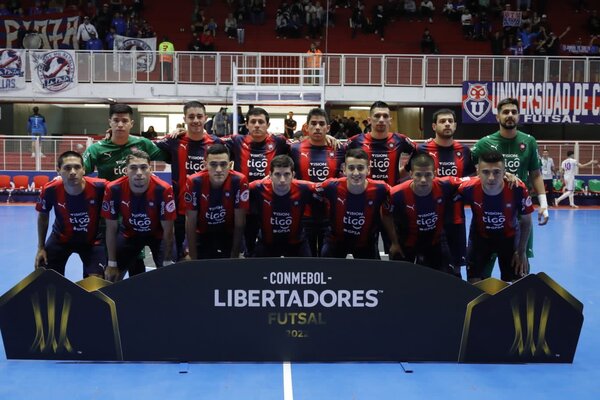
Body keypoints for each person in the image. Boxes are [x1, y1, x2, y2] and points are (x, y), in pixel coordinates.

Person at [471, 97, 548, 278]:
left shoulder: (529, 141)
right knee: (481, 272)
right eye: (505, 112)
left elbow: (535, 174)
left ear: (518, 116)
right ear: (497, 117)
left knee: (518, 266)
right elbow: (472, 171)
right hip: (489, 212)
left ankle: (516, 301)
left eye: (514, 112)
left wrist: (543, 203)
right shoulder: (484, 143)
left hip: (519, 213)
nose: (510, 115)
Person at [155, 101, 224, 260]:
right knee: (184, 259)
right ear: (184, 119)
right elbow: (146, 145)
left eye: (199, 116)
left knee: (210, 258)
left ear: (206, 118)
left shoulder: (217, 143)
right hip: (181, 212)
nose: (196, 120)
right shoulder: (174, 141)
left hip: (210, 212)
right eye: (191, 117)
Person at [347, 100, 417, 253]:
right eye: (377, 116)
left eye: (385, 116)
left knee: (396, 249)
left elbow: (419, 152)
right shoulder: (357, 141)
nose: (381, 120)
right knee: (366, 251)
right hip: (366, 203)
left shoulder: (399, 140)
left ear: (390, 120)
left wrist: (404, 171)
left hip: (391, 202)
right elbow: (337, 153)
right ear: (370, 119)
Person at [414, 108, 475, 276]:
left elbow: (472, 180)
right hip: (427, 217)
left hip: (455, 217)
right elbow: (410, 177)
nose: (447, 124)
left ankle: (454, 301)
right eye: (442, 121)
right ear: (434, 126)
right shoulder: (422, 150)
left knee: (455, 267)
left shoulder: (464, 151)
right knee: (426, 266)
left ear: (455, 125)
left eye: (450, 121)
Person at [458, 150, 533, 283]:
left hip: (509, 237)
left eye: (497, 172)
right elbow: (438, 182)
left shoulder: (517, 188)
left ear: (505, 172)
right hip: (480, 237)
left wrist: (521, 251)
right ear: (478, 172)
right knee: (474, 282)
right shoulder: (467, 187)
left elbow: (526, 221)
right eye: (486, 172)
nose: (491, 177)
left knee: (519, 281)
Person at [102, 150, 175, 282]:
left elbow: (168, 230)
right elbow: (111, 228)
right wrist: (112, 264)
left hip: (157, 235)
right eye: (133, 168)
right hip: (129, 234)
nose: (139, 173)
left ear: (150, 169)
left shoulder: (164, 189)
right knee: (111, 276)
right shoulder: (114, 189)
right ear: (126, 170)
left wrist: (167, 260)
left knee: (171, 275)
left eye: (143, 167)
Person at [35, 151, 107, 278]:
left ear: (84, 169)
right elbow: (43, 217)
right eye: (67, 168)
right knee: (45, 275)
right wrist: (41, 247)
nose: (73, 172)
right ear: (58, 170)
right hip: (60, 239)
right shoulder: (50, 190)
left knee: (96, 284)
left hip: (92, 241)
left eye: (77, 167)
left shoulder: (100, 187)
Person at [317, 148, 398, 259]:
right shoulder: (331, 186)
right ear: (344, 170)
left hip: (366, 243)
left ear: (368, 170)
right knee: (325, 271)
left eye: (360, 168)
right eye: (351, 168)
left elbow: (402, 194)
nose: (356, 173)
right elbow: (305, 189)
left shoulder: (381, 189)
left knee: (373, 275)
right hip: (335, 241)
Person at [385, 153, 458, 274]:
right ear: (411, 174)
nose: (423, 180)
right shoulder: (396, 194)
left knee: (447, 277)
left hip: (435, 241)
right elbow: (385, 214)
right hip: (406, 243)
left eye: (428, 175)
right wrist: (394, 242)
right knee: (399, 279)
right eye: (418, 175)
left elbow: (473, 181)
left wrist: (501, 178)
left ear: (434, 173)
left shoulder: (446, 185)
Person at [289, 108, 344, 256]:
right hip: (304, 214)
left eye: (321, 124)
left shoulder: (339, 148)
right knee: (308, 261)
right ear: (306, 127)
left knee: (329, 261)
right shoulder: (294, 149)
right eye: (313, 123)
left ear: (328, 127)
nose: (317, 127)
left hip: (330, 216)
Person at [183, 144, 249, 259]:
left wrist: (234, 255)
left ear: (230, 165)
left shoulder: (240, 180)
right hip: (201, 233)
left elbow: (240, 223)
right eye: (213, 165)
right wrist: (193, 258)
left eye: (223, 164)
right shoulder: (193, 181)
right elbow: (190, 221)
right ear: (205, 165)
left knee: (239, 261)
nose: (219, 170)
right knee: (187, 261)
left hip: (229, 233)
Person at [248, 155, 315, 257]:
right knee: (254, 271)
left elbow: (329, 186)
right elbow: (237, 190)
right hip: (267, 243)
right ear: (270, 175)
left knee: (311, 270)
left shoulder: (305, 187)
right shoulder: (257, 187)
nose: (282, 180)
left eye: (287, 174)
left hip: (297, 243)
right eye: (277, 174)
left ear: (293, 175)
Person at [83, 103, 167, 182]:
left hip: (136, 195)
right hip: (109, 196)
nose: (120, 124)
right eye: (116, 120)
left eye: (124, 121)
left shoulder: (143, 143)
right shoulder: (96, 149)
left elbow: (171, 155)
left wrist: (178, 135)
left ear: (131, 123)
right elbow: (79, 171)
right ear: (110, 123)